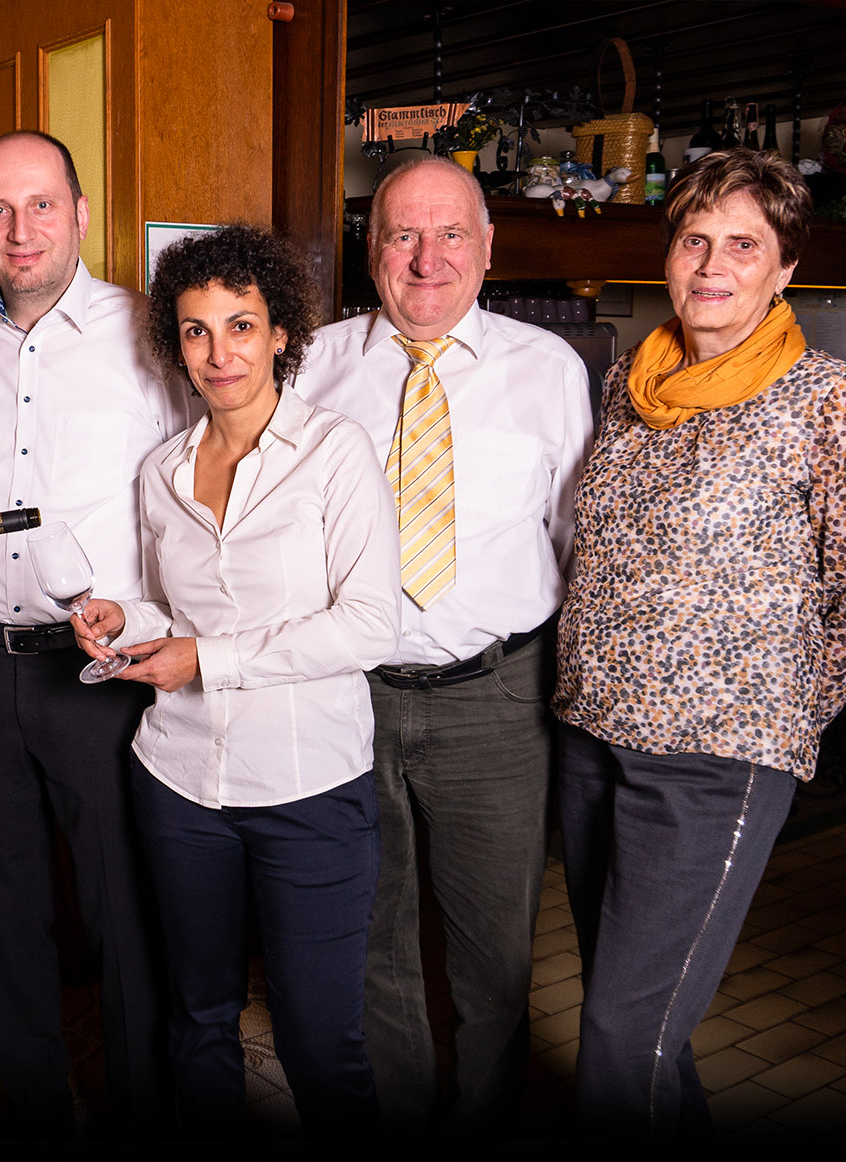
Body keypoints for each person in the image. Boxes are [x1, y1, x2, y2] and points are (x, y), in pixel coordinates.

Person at [73, 224, 401, 1136]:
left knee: (319, 1041)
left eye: (241, 326)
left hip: (309, 788)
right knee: (199, 1014)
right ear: (175, 345)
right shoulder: (162, 470)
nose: (220, 354)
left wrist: (205, 661)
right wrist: (123, 618)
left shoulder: (335, 451)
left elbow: (370, 624)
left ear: (281, 332)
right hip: (178, 781)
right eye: (196, 331)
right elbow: (167, 608)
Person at [294, 156, 593, 1135]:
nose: (427, 259)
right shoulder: (312, 365)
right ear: (370, 248)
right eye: (402, 235)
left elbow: (572, 540)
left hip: (496, 702)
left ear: (487, 247)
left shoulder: (548, 369)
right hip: (347, 694)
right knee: (370, 936)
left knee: (493, 951)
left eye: (451, 234)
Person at [553, 148, 845, 1135]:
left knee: (618, 1038)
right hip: (592, 736)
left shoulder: (823, 400)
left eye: (743, 245)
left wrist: (785, 714)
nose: (713, 265)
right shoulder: (627, 387)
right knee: (643, 1026)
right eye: (693, 240)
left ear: (784, 268)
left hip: (715, 758)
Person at [0, 130, 190, 1134]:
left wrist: (161, 625)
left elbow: (195, 497)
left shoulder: (150, 332)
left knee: (120, 898)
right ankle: (36, 1104)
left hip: (99, 668)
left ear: (81, 214)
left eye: (41, 204)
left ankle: (141, 1106)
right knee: (1, 899)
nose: (20, 229)